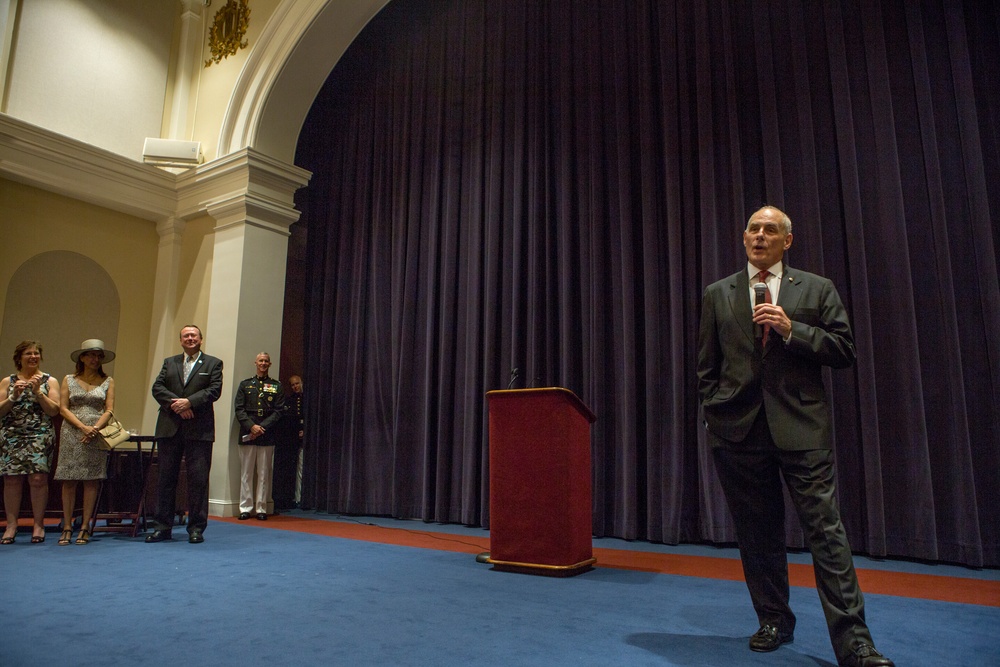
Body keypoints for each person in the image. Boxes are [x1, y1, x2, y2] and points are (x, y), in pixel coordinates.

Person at [696, 205, 893, 667]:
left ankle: (855, 644)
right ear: (744, 238)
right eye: (753, 228)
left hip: (802, 429)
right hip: (738, 433)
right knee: (757, 534)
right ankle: (773, 621)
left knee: (827, 535)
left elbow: (844, 349)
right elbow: (707, 366)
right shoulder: (718, 293)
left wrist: (792, 329)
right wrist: (714, 413)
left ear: (788, 240)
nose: (759, 236)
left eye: (770, 230)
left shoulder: (817, 288)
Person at [146, 325, 223, 544]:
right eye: (186, 336)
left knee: (198, 480)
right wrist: (178, 405)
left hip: (199, 430)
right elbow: (157, 388)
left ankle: (196, 528)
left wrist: (190, 402)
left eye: (194, 335)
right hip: (169, 428)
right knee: (165, 479)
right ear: (180, 340)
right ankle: (162, 528)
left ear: (201, 339)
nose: (190, 338)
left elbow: (214, 391)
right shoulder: (169, 362)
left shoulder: (213, 363)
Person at [53, 339, 116, 546]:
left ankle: (85, 526)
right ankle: (68, 526)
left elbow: (109, 409)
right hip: (72, 432)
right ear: (82, 357)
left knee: (91, 480)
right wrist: (82, 427)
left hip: (96, 433)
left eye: (98, 356)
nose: (95, 359)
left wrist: (95, 428)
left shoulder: (108, 381)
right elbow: (63, 408)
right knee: (69, 479)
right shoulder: (69, 379)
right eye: (90, 355)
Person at [0, 340, 61, 544]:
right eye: (28, 353)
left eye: (36, 353)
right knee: (12, 479)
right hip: (12, 435)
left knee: (37, 480)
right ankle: (11, 525)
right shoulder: (7, 381)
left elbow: (54, 410)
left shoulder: (49, 381)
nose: (33, 357)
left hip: (39, 434)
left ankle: (38, 524)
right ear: (19, 358)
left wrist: (38, 392)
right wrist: (13, 397)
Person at [234, 353, 285, 520]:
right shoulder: (245, 385)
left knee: (264, 473)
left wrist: (262, 427)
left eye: (265, 361)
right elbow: (239, 409)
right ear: (255, 363)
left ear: (269, 364)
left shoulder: (276, 386)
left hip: (267, 433)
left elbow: (278, 411)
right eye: (260, 361)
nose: (263, 363)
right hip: (248, 432)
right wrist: (252, 426)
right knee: (246, 473)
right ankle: (245, 507)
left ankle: (261, 508)